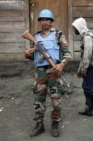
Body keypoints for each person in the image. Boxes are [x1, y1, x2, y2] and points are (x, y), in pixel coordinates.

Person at [24, 9, 71, 137]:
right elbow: (33, 56)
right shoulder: (35, 36)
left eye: (47, 20)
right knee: (39, 99)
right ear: (40, 22)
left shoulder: (58, 35)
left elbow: (67, 53)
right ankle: (39, 125)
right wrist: (27, 54)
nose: (44, 22)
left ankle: (55, 123)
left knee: (56, 99)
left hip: (54, 70)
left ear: (51, 22)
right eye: (42, 20)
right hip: (40, 72)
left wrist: (61, 64)